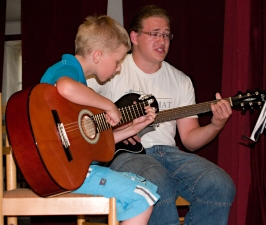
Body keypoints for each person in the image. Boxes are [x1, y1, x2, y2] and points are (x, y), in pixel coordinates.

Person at [87, 5, 236, 225]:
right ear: (134, 37)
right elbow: (76, 99)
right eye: (154, 34)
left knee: (220, 184)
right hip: (125, 155)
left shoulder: (181, 80)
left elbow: (190, 140)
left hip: (169, 154)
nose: (162, 41)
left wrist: (216, 124)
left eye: (166, 35)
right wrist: (113, 129)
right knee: (158, 182)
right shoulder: (113, 68)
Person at [40, 14, 160, 225]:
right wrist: (109, 105)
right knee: (142, 195)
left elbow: (92, 144)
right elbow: (65, 87)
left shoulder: (80, 93)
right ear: (97, 55)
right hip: (67, 172)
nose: (119, 67)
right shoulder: (66, 71)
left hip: (72, 169)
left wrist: (132, 129)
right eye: (117, 61)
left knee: (145, 186)